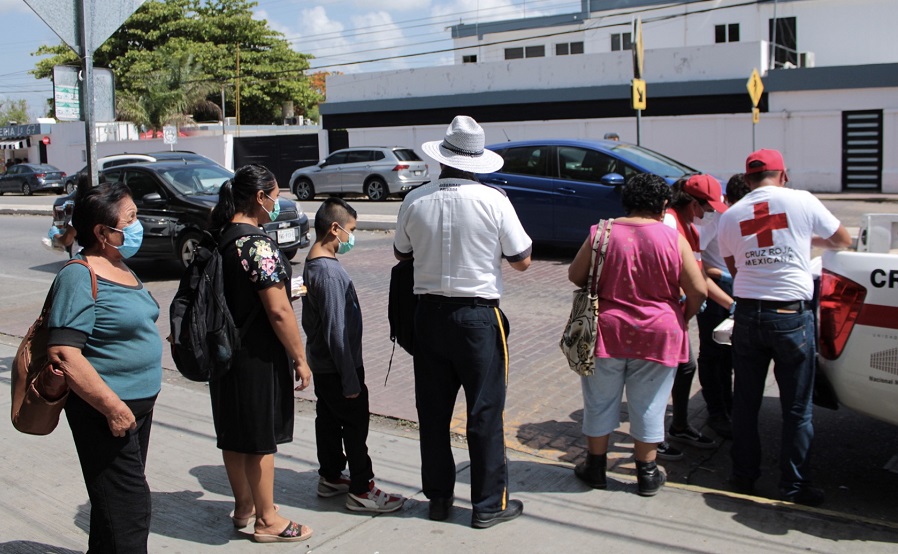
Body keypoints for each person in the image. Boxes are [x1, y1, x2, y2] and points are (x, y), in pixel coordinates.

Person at [394, 115, 533, 529]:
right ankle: (488, 505)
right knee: (485, 412)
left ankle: (438, 498)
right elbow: (523, 259)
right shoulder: (494, 201)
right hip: (478, 318)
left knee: (433, 414)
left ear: (442, 158)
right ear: (476, 162)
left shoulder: (415, 199)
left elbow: (402, 253)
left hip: (429, 317)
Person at [718, 149, 851, 506]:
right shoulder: (802, 201)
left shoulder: (730, 215)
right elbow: (843, 240)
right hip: (791, 315)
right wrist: (803, 240)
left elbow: (734, 264)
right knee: (797, 407)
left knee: (746, 402)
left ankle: (743, 477)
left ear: (747, 181)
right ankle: (794, 486)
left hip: (747, 314)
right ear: (784, 175)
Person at [569, 173, 706, 497]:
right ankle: (646, 473)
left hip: (607, 331)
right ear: (662, 205)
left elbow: (576, 276)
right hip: (660, 333)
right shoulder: (673, 237)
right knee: (651, 405)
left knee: (599, 401)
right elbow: (697, 289)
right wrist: (681, 316)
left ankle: (596, 468)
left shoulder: (601, 232)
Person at [46, 179, 162, 552]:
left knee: (110, 508)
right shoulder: (79, 275)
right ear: (102, 231)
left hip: (138, 409)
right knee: (131, 513)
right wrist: (112, 408)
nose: (137, 225)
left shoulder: (121, 266)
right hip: (105, 413)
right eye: (130, 219)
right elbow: (64, 353)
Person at [207, 164, 314, 543]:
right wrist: (300, 358)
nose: (278, 201)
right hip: (256, 355)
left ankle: (244, 507)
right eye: (275, 193)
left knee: (233, 434)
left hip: (223, 352)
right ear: (259, 197)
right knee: (259, 439)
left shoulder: (221, 236)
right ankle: (268, 521)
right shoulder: (255, 244)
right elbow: (279, 309)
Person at [302, 197, 406, 513]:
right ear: (334, 229)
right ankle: (362, 489)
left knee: (330, 421)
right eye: (351, 230)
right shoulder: (330, 274)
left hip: (323, 365)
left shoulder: (314, 264)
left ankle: (331, 476)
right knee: (355, 426)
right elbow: (337, 331)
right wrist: (350, 381)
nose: (351, 238)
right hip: (339, 368)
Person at [658, 174, 734, 458]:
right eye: (707, 208)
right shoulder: (669, 225)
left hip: (675, 313)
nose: (710, 214)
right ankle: (651, 440)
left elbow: (698, 276)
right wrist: (690, 305)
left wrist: (728, 304)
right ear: (692, 203)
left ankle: (677, 426)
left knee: (684, 367)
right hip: (659, 313)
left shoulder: (689, 227)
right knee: (661, 373)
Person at [694, 174, 751, 439]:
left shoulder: (748, 218)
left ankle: (729, 406)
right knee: (714, 353)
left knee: (731, 355)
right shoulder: (718, 219)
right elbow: (697, 259)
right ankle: (717, 411)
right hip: (720, 291)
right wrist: (722, 275)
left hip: (740, 289)